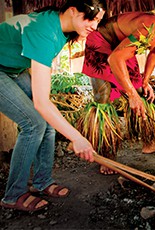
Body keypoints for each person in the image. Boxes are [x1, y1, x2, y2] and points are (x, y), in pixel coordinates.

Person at [0, 0, 107, 212]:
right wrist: (77, 137)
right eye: (91, 19)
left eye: (98, 21)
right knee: (34, 123)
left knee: (47, 123)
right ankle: (13, 195)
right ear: (73, 11)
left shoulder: (64, 29)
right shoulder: (44, 31)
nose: (94, 26)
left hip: (12, 68)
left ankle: (42, 182)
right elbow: (41, 103)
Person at [82, 0, 155, 173]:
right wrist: (131, 94)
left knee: (143, 93)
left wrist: (144, 81)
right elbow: (115, 59)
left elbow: (154, 53)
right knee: (103, 98)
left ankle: (150, 142)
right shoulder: (154, 25)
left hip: (121, 45)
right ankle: (106, 156)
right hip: (102, 43)